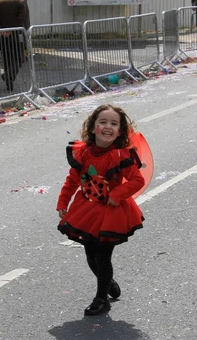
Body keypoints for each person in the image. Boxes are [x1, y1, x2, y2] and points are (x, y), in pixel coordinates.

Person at [57, 105, 146, 316]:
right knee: (91, 257)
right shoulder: (83, 152)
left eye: (114, 124)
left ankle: (101, 299)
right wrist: (63, 202)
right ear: (94, 126)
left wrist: (116, 196)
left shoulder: (120, 155)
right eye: (103, 122)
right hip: (86, 208)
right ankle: (108, 284)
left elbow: (137, 180)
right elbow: (72, 180)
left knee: (103, 256)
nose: (108, 127)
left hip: (110, 212)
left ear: (120, 131)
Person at [0, 0, 30, 92]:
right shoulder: (21, 2)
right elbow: (22, 19)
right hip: (17, 36)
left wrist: (1, 30)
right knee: (19, 58)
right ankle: (8, 77)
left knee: (7, 60)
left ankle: (9, 82)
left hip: (2, 37)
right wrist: (12, 29)